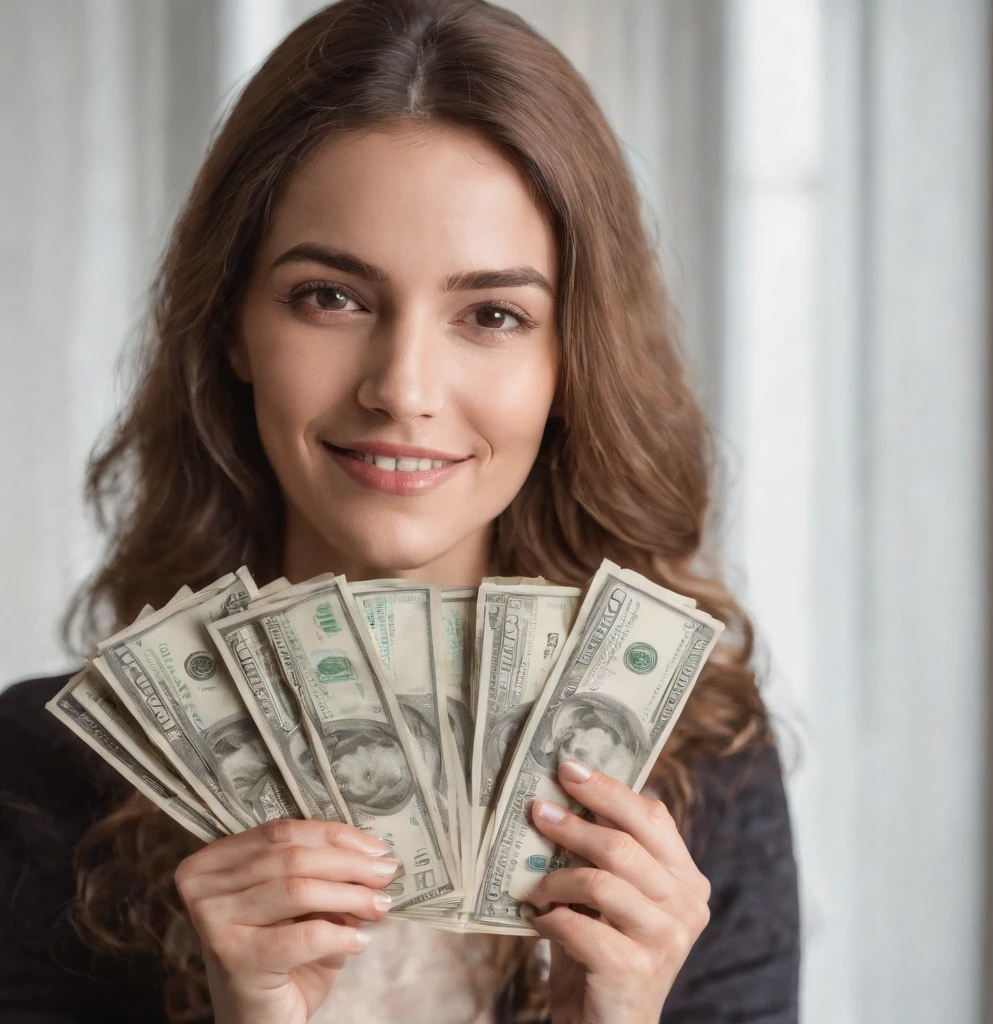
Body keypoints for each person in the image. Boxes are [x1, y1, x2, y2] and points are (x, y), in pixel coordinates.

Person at [0, 1, 800, 1021]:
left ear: (569, 364)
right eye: (331, 296)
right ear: (233, 327)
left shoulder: (701, 768)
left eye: (493, 314)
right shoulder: (37, 776)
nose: (403, 387)